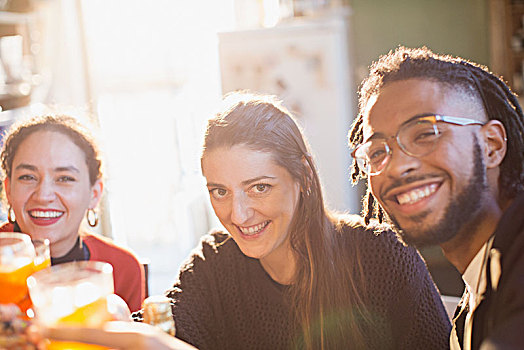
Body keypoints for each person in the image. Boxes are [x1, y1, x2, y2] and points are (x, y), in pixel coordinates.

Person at [43, 92, 450, 349]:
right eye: (220, 191)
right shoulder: (214, 265)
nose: (237, 216)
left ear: (303, 177)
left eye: (259, 188)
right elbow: (167, 327)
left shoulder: (381, 259)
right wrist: (108, 320)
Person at [348, 46, 524, 350]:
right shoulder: (473, 303)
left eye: (425, 134)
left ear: (491, 145)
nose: (398, 166)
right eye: (377, 152)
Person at [0, 115, 145, 312]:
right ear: (8, 190)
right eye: (28, 177)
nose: (43, 196)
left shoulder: (122, 268)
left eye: (64, 178)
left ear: (94, 193)